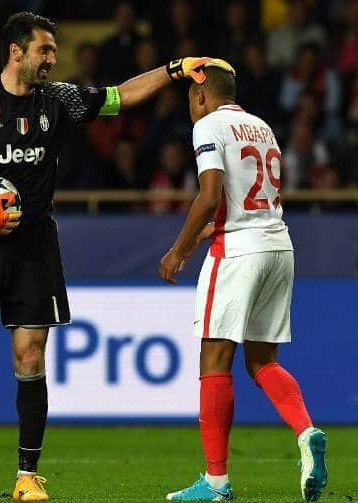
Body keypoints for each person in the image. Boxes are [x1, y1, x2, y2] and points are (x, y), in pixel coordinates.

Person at [0, 11, 203, 502]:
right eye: (45, 50)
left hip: (35, 244)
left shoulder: (59, 100)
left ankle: (26, 476)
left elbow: (122, 96)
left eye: (53, 49)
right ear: (17, 52)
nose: (53, 58)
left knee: (30, 356)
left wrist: (174, 69)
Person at [159, 57, 328, 501]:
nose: (191, 108)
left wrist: (179, 249)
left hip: (237, 252)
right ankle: (306, 431)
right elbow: (252, 196)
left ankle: (216, 483)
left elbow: (209, 194)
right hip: (278, 246)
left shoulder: (208, 125)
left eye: (191, 100)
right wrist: (211, 229)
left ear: (200, 95)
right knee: (262, 360)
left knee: (214, 361)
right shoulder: (262, 127)